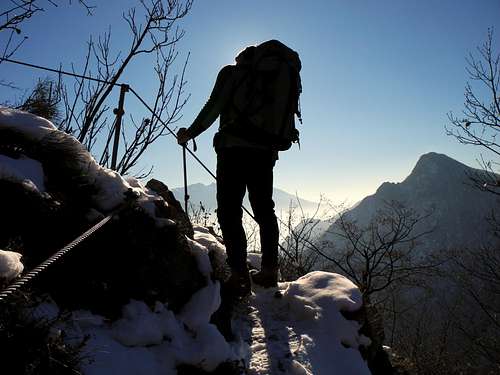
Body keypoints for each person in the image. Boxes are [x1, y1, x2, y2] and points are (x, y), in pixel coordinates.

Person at [177, 40, 301, 297]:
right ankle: (269, 272)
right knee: (265, 210)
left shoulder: (231, 74)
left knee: (229, 211)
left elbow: (213, 106)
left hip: (233, 151)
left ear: (241, 57)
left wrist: (190, 132)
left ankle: (239, 276)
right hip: (265, 153)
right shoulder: (275, 77)